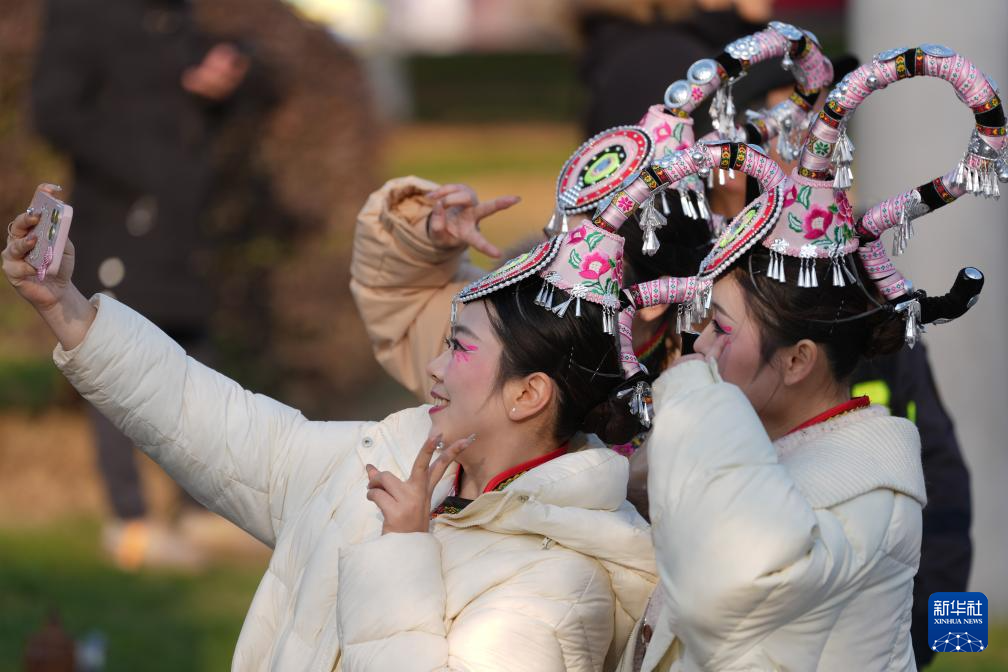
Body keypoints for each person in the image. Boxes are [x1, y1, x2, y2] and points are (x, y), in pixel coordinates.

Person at [3, 187, 656, 670]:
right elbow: (215, 424)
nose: (433, 368)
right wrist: (67, 307)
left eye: (458, 348)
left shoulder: (562, 585)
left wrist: (402, 553)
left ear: (528, 395)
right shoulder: (393, 455)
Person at [601, 40, 1003, 668]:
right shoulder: (654, 268)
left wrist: (932, 642)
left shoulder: (847, 289)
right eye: (781, 130)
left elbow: (941, 480)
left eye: (822, 140)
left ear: (800, 357)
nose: (803, 154)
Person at [31, 0, 255, 569]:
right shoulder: (80, 13)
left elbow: (196, 79)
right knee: (110, 355)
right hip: (116, 218)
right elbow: (53, 112)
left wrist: (221, 73)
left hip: (180, 224)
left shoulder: (173, 13)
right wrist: (144, 166)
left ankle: (199, 508)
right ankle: (129, 521)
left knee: (194, 358)